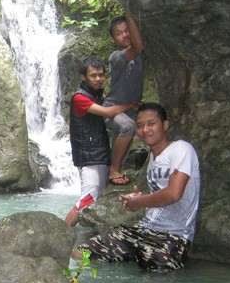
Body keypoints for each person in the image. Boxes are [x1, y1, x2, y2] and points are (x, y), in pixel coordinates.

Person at [72, 102, 201, 272]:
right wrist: (138, 199)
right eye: (140, 126)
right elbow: (158, 196)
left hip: (173, 238)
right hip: (141, 230)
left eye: (151, 124)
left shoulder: (182, 149)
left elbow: (174, 194)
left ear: (165, 125)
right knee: (81, 253)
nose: (145, 130)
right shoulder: (153, 161)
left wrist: (141, 201)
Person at [65, 56, 139, 227]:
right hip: (89, 157)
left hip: (100, 153)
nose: (98, 79)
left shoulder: (97, 95)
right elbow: (108, 113)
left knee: (93, 199)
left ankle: (76, 238)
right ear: (83, 77)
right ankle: (61, 236)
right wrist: (130, 105)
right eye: (93, 75)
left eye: (101, 75)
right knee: (87, 199)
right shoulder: (80, 98)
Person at [104, 15, 144, 186]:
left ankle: (111, 174)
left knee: (124, 141)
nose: (125, 35)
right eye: (119, 33)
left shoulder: (141, 55)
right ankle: (114, 170)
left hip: (130, 110)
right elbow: (138, 46)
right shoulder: (116, 57)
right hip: (112, 109)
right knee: (128, 126)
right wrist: (130, 14)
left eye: (127, 30)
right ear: (113, 39)